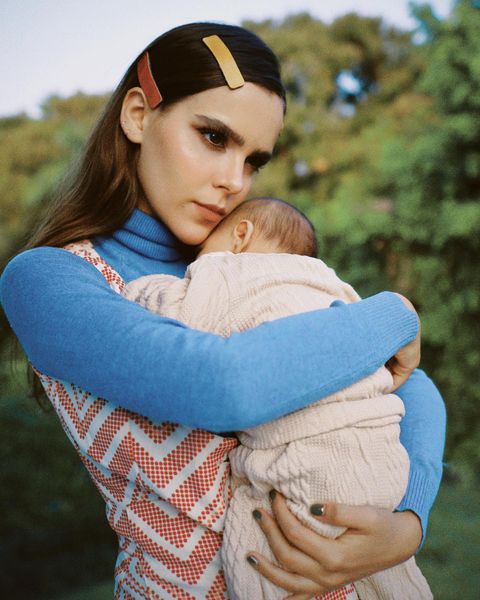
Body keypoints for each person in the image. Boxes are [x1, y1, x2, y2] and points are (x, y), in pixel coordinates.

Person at [0, 22, 445, 599]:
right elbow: (224, 385)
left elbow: (410, 386)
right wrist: (396, 314)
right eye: (213, 137)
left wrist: (408, 523)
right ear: (138, 115)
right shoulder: (50, 279)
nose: (233, 182)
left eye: (254, 160)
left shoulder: (244, 260)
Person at [123, 197, 433, 599]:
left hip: (306, 462)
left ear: (241, 235)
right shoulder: (333, 284)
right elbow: (395, 367)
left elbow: (181, 315)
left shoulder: (226, 270)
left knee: (259, 549)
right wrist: (399, 310)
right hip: (386, 463)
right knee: (383, 577)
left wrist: (145, 288)